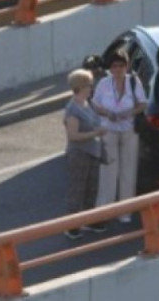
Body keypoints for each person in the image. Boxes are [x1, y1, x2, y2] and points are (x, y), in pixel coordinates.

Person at [90, 50, 147, 223]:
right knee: (108, 170)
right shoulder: (104, 83)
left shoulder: (133, 81)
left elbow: (143, 104)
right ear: (110, 68)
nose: (118, 69)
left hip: (129, 130)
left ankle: (125, 212)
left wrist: (129, 112)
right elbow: (94, 104)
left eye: (121, 65)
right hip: (109, 129)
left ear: (127, 66)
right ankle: (103, 211)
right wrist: (107, 113)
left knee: (128, 171)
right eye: (114, 66)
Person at [62, 69, 109, 240]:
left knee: (92, 188)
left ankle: (90, 220)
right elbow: (73, 136)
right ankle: (72, 226)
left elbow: (101, 112)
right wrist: (95, 133)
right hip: (79, 153)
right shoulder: (72, 110)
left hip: (93, 151)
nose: (92, 87)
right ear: (80, 87)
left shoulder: (87, 103)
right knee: (78, 189)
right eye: (89, 85)